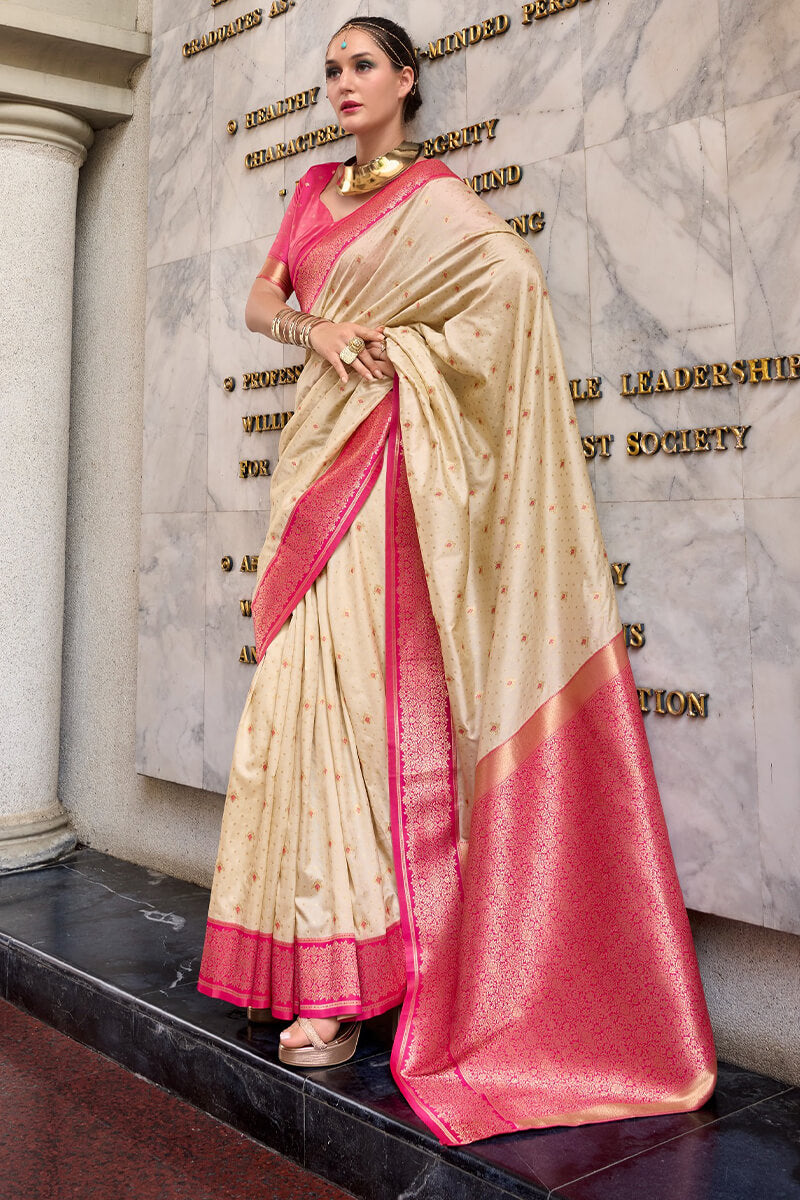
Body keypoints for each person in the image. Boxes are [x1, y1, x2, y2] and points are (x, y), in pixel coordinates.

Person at [197, 15, 717, 1146]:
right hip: (318, 460)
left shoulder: (437, 201)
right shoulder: (310, 195)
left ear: (405, 81)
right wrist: (316, 331)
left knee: (363, 706)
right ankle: (313, 960)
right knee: (300, 699)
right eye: (328, 69)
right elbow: (257, 303)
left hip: (390, 473)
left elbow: (510, 294)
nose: (339, 84)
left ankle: (349, 990)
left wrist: (403, 355)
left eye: (360, 66)